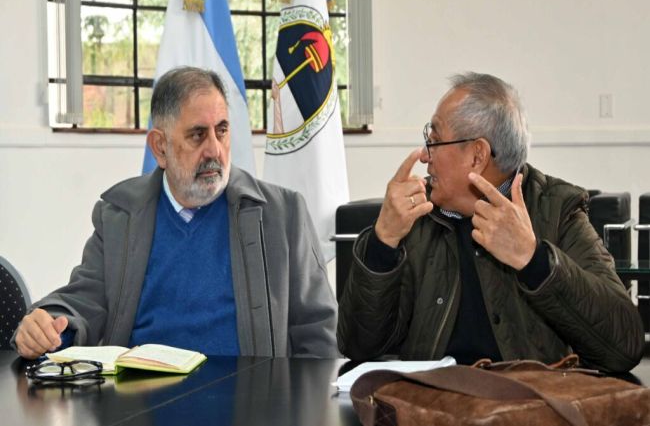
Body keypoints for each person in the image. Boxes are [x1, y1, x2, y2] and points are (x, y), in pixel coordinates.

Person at [14, 66, 338, 359]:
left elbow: (319, 333)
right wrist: (47, 326)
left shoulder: (282, 215)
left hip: (250, 397)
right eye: (197, 135)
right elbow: (84, 302)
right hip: (139, 397)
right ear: (160, 147)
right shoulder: (119, 216)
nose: (214, 149)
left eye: (222, 130)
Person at [337, 72, 644, 372]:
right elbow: (358, 346)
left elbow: (623, 348)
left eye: (435, 141)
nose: (425, 157)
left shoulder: (558, 209)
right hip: (431, 400)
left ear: (477, 155)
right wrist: (382, 242)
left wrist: (534, 259)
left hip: (527, 402)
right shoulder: (416, 217)